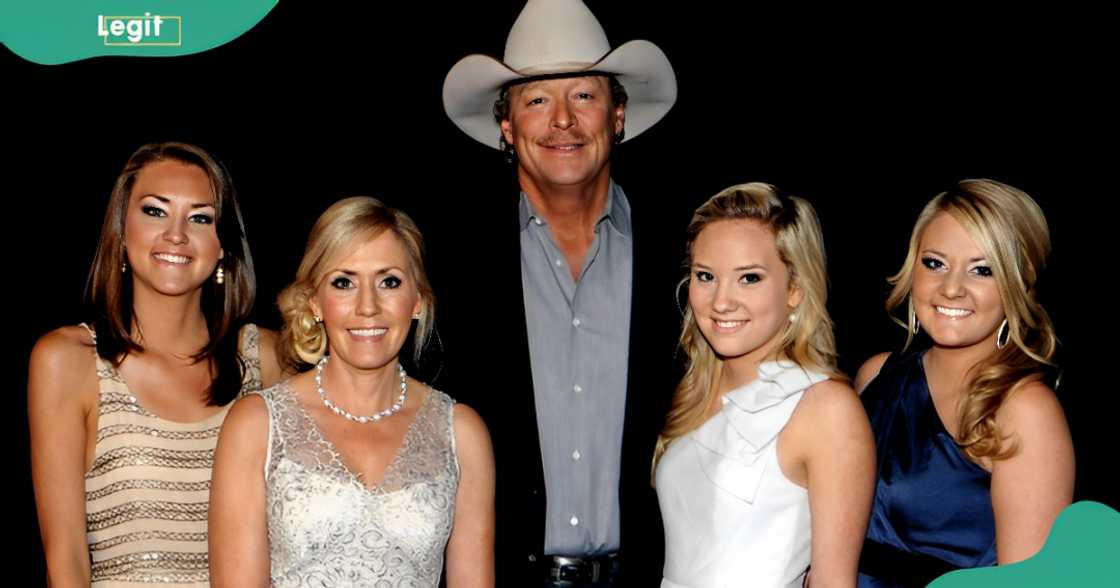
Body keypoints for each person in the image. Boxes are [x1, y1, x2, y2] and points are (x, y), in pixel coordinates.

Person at [441, 0, 680, 584]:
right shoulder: (447, 264)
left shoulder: (688, 257)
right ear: (507, 126)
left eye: (584, 95)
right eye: (537, 100)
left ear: (617, 115)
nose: (563, 121)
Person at [28, 141, 283, 586]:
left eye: (200, 218)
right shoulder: (68, 360)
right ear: (121, 230)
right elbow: (65, 559)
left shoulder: (269, 359)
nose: (176, 234)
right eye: (155, 211)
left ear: (223, 246)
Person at [209, 196, 495, 587]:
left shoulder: (460, 432)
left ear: (418, 300)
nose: (367, 307)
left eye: (389, 282)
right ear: (314, 302)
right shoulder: (257, 424)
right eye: (344, 283)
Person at [654, 183, 876, 587]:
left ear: (795, 288)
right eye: (706, 276)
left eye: (749, 278)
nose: (721, 301)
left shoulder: (825, 408)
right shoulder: (696, 391)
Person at [854, 179, 1074, 586]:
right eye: (935, 263)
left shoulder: (1023, 411)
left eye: (982, 270)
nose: (952, 288)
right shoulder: (876, 376)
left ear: (1019, 284)